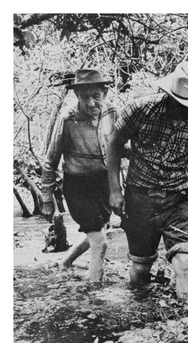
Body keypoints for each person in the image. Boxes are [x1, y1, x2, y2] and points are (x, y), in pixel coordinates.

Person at [107, 61, 188, 299]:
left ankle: (186, 317)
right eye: (185, 105)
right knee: (140, 268)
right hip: (139, 197)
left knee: (185, 260)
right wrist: (115, 191)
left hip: (177, 200)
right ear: (171, 97)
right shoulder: (139, 110)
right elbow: (113, 145)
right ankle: (140, 315)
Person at [41, 69, 117, 283]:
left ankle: (65, 262)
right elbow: (50, 161)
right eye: (85, 97)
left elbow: (117, 147)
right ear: (76, 96)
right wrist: (47, 199)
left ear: (105, 92)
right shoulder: (67, 119)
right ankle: (95, 293)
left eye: (96, 96)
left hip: (104, 183)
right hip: (78, 187)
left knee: (97, 233)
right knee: (100, 242)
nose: (92, 103)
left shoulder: (111, 112)